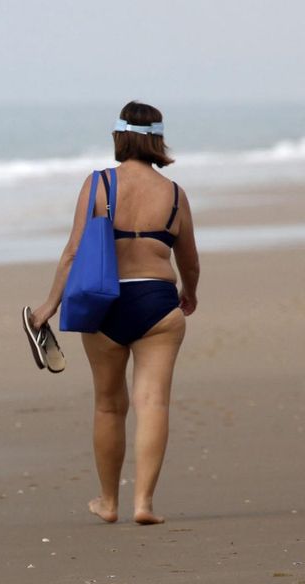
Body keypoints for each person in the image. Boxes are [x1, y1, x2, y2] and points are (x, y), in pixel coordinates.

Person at [29, 101, 200, 525]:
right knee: (153, 403)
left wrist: (49, 306)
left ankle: (109, 502)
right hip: (158, 302)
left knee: (108, 406)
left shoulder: (100, 184)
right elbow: (190, 260)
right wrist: (190, 293)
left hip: (103, 302)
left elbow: (73, 253)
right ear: (158, 139)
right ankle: (143, 504)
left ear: (119, 137)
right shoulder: (175, 194)